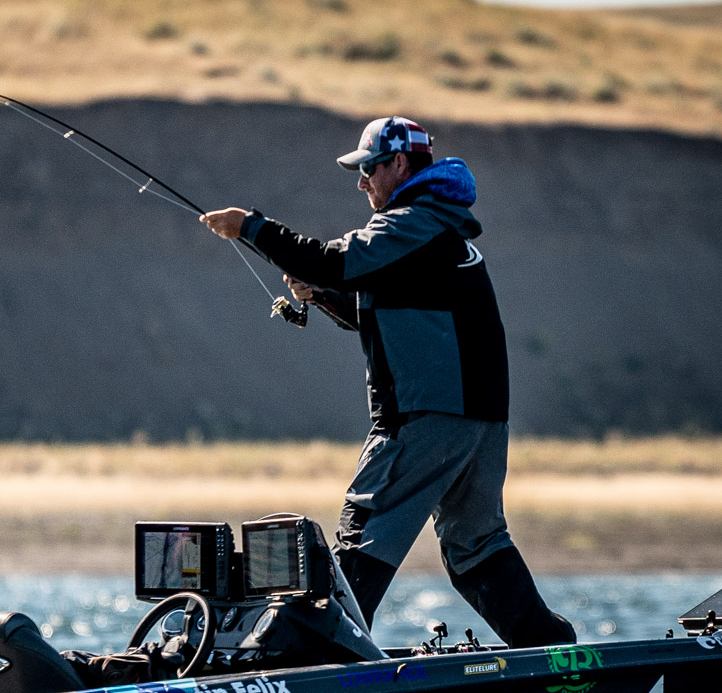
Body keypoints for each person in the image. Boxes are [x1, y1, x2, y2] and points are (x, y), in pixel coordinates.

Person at [201, 116, 574, 647]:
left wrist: (250, 226)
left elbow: (332, 259)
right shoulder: (439, 227)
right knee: (477, 546)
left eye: (369, 169)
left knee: (365, 531)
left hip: (425, 418)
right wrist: (322, 295)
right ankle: (554, 655)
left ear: (399, 163)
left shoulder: (411, 223)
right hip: (480, 425)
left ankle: (321, 659)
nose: (361, 183)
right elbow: (387, 309)